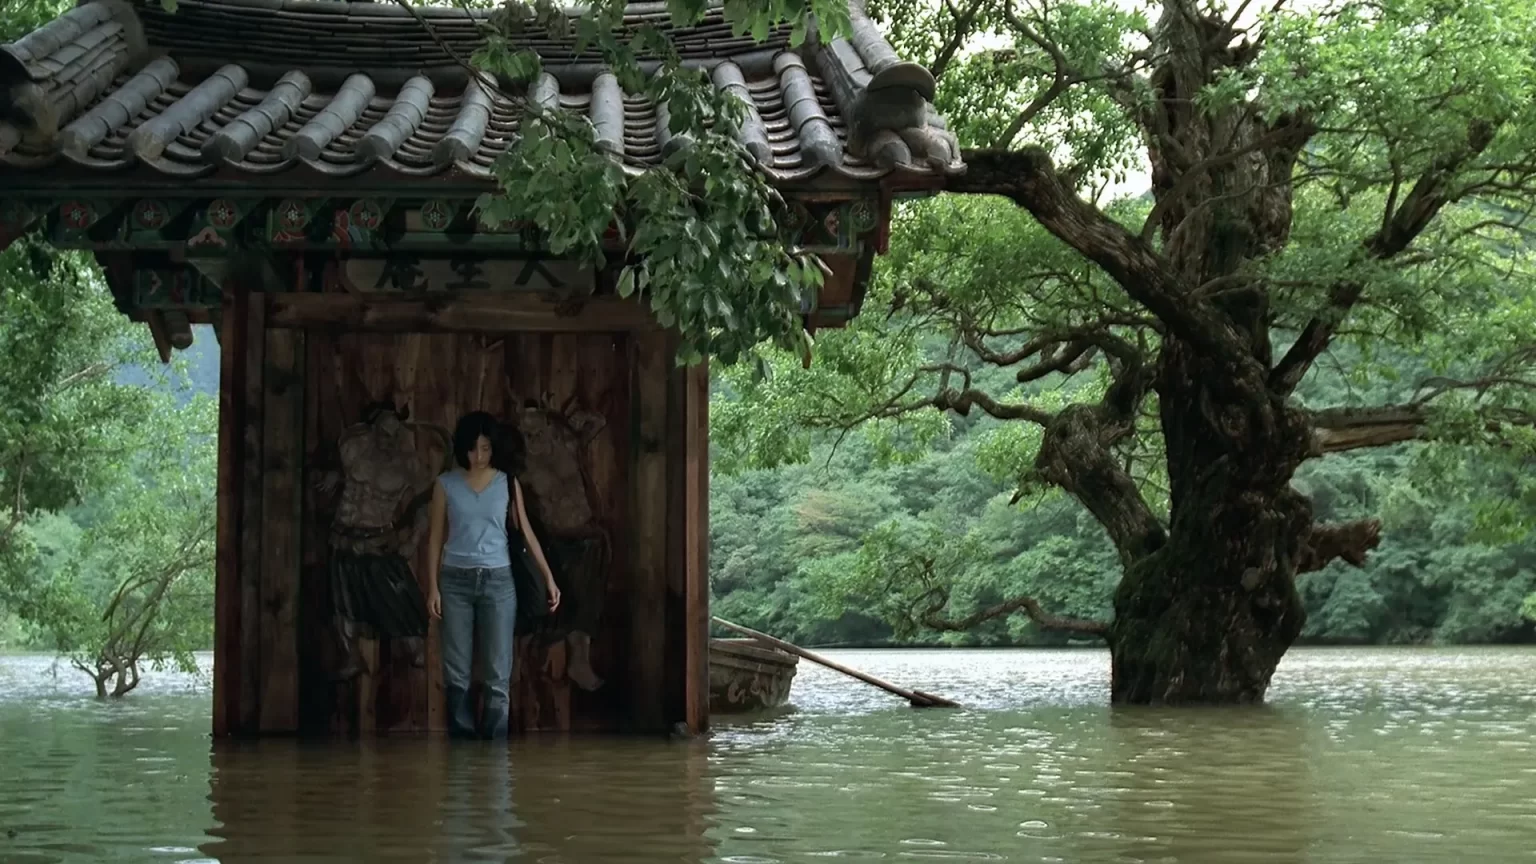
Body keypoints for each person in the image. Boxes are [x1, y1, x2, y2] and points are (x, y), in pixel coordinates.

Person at [425, 411, 561, 739]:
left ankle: (495, 755)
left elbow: (527, 533)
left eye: (485, 448)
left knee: (498, 674)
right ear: (463, 448)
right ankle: (461, 754)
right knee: (456, 672)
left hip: (499, 581)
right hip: (454, 580)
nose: (479, 456)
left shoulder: (506, 483)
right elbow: (435, 539)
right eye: (473, 449)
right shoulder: (445, 484)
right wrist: (432, 587)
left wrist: (549, 578)